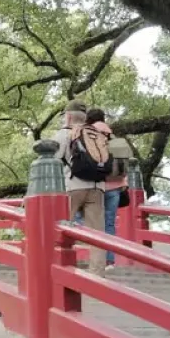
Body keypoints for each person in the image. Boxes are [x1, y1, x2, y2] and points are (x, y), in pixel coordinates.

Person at [54, 99, 108, 274]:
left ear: (68, 117)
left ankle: (60, 268)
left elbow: (53, 159)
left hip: (72, 185)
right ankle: (97, 274)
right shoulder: (95, 134)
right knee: (97, 234)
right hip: (98, 187)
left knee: (60, 227)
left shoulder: (64, 134)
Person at [86, 107, 131, 269]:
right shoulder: (114, 137)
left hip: (98, 185)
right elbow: (124, 163)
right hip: (116, 187)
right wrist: (124, 184)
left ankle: (96, 259)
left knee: (86, 219)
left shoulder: (89, 134)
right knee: (109, 223)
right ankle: (110, 261)